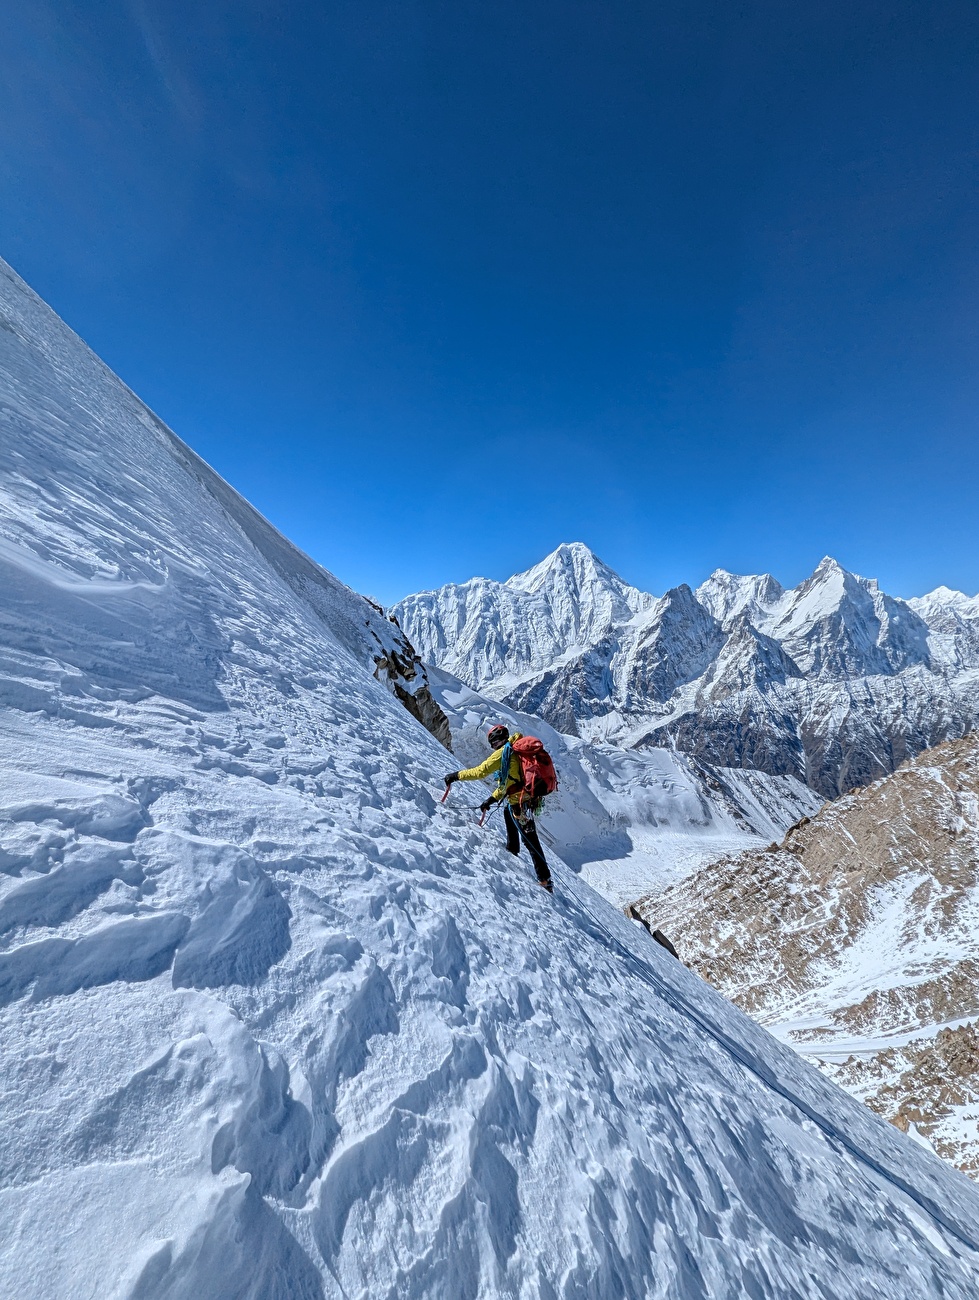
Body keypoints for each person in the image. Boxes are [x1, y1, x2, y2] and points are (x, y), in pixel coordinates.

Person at [444, 724, 554, 892]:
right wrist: (491, 799)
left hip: (519, 802)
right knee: (508, 813)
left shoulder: (502, 754)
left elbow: (479, 772)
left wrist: (456, 776)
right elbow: (510, 782)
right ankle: (512, 848)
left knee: (530, 840)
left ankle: (545, 880)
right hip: (522, 799)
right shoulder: (513, 751)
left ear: (495, 741)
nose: (492, 747)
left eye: (492, 743)